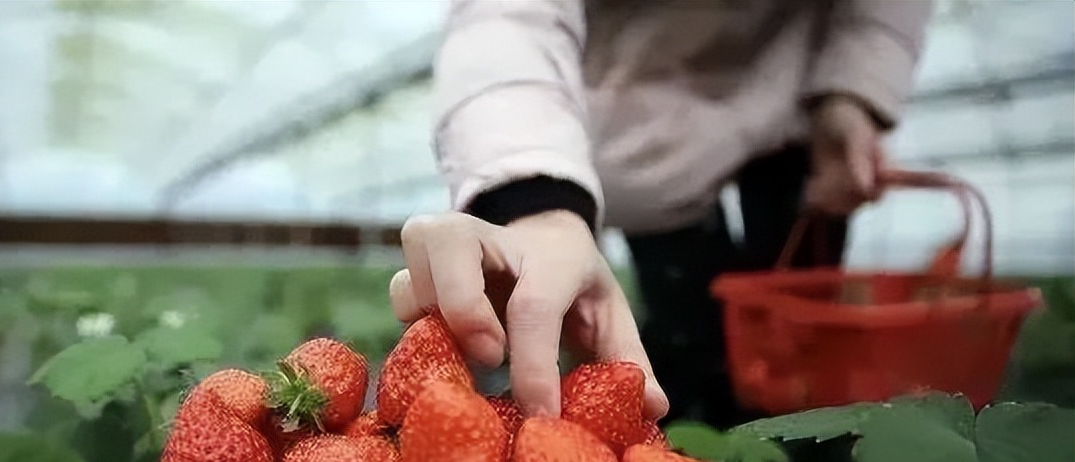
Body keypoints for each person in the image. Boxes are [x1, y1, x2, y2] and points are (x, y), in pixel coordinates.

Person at [389, 0, 933, 426]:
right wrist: (538, 201)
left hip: (799, 109)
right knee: (687, 341)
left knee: (798, 347)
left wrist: (853, 91)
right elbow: (507, 18)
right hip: (651, 131)